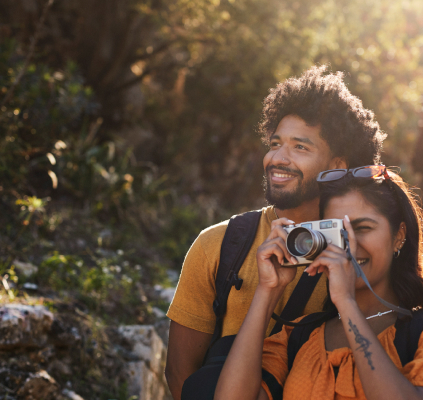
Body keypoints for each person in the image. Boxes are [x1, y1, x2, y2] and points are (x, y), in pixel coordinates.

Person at [165, 66, 387, 399]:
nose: (277, 158)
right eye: (275, 143)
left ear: (337, 166)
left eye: (300, 147)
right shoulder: (217, 246)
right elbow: (181, 374)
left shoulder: (362, 253)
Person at [214, 166, 423, 400]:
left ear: (399, 236)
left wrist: (347, 303)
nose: (348, 245)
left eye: (362, 228)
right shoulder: (299, 336)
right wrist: (268, 289)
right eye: (336, 232)